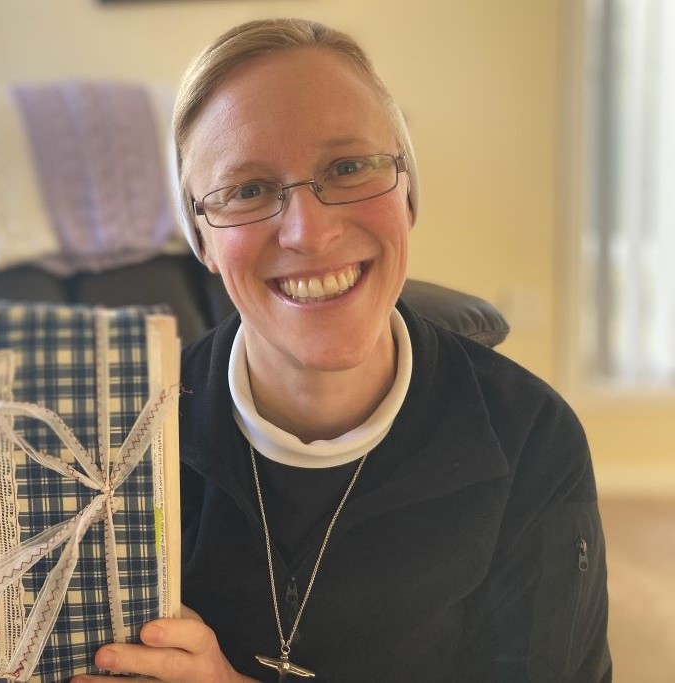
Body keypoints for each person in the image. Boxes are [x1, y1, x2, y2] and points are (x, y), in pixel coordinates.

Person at [73, 17, 610, 683]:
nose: (309, 232)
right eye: (248, 189)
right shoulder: (118, 446)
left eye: (349, 166)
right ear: (203, 241)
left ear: (408, 192)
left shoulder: (533, 441)